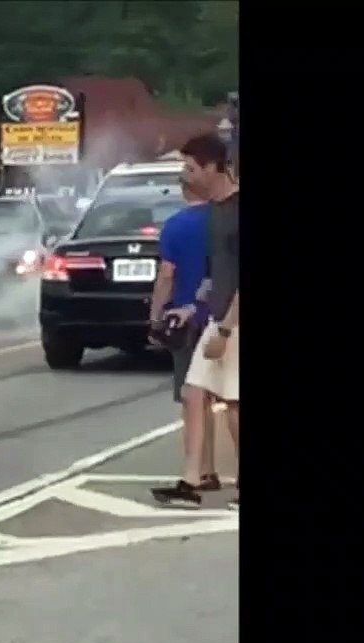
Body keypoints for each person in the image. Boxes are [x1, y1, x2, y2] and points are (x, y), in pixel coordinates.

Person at [151, 133, 240, 510]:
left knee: (235, 404)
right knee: (192, 392)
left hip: (234, 321)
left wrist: (223, 328)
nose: (185, 176)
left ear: (211, 167)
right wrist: (195, 307)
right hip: (215, 315)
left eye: (190, 168)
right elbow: (217, 274)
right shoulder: (217, 212)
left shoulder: (236, 211)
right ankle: (190, 482)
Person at [147, 180, 219, 494]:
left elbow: (166, 275)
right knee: (229, 399)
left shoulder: (176, 226)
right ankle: (208, 470)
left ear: (183, 190)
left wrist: (155, 317)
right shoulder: (223, 221)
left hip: (187, 320)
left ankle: (203, 470)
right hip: (223, 315)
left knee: (194, 399)